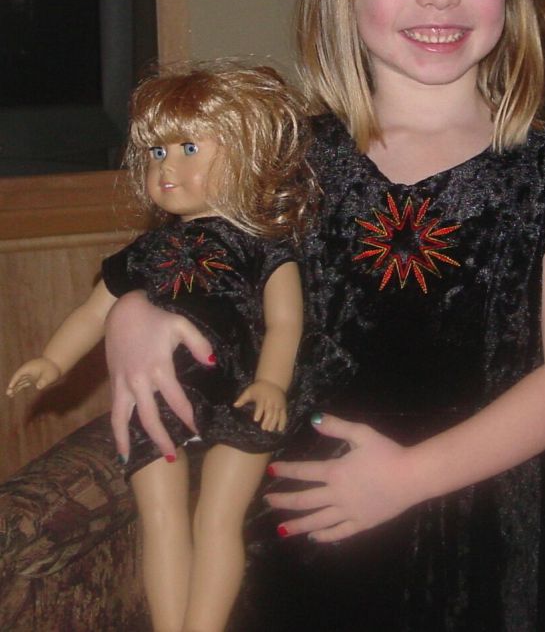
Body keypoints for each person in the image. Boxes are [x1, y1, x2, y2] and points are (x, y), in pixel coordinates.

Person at [105, 0, 545, 629]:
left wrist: (409, 477)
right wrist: (134, 313)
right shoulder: (281, 162)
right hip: (304, 542)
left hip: (482, 545)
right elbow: (193, 264)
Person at [8, 62, 316, 632]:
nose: (166, 167)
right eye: (156, 152)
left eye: (188, 148)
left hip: (239, 393)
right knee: (161, 518)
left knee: (217, 519)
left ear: (246, 154)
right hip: (154, 397)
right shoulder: (147, 250)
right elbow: (94, 311)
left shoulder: (265, 247)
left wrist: (271, 382)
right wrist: (53, 360)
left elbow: (285, 324)